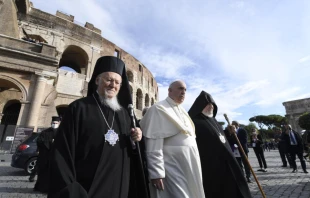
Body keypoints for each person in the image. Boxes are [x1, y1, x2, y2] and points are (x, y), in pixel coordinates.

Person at [48, 56, 149, 198]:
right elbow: (62, 151)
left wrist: (135, 140)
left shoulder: (125, 114)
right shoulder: (78, 108)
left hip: (119, 185)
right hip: (86, 187)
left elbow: (132, 152)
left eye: (117, 82)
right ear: (97, 80)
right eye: (108, 80)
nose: (113, 85)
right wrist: (71, 190)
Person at [140, 80, 205, 198]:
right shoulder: (158, 109)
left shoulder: (183, 110)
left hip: (190, 163)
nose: (183, 92)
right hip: (171, 166)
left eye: (185, 89)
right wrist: (156, 172)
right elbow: (154, 143)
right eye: (180, 88)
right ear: (169, 90)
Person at [188, 91, 252, 198]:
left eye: (212, 104)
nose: (211, 106)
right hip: (210, 165)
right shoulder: (193, 122)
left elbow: (221, 138)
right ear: (200, 106)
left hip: (227, 163)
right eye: (208, 104)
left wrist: (229, 133)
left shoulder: (214, 121)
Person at [29, 116, 61, 193]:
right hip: (44, 156)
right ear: (51, 123)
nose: (54, 124)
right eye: (53, 123)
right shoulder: (45, 132)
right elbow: (39, 141)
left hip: (55, 157)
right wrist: (50, 143)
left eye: (56, 123)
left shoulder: (61, 132)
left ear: (59, 123)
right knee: (42, 173)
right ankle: (40, 187)